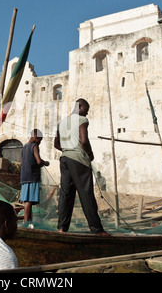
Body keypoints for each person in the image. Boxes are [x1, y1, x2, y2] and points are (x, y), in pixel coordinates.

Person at [54, 98, 109, 236]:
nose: (87, 113)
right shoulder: (82, 120)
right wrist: (90, 154)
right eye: (86, 109)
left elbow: (56, 143)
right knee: (86, 194)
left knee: (66, 195)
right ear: (80, 106)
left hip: (65, 159)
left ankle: (61, 228)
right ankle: (97, 230)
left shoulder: (63, 122)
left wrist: (68, 149)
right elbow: (84, 140)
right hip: (78, 160)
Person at [20, 129, 50, 223]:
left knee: (27, 201)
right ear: (35, 137)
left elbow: (21, 162)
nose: (40, 142)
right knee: (29, 201)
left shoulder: (24, 147)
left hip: (24, 177)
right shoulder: (34, 146)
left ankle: (29, 221)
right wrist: (45, 163)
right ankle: (26, 222)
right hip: (32, 177)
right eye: (39, 140)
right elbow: (38, 161)